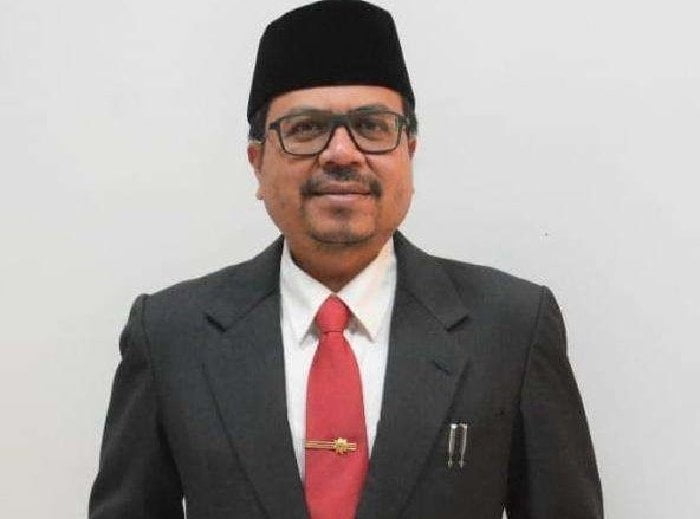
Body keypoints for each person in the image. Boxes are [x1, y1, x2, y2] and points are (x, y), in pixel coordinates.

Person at [89, 1, 603, 518]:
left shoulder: (511, 328)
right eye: (306, 129)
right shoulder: (171, 336)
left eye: (371, 126)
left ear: (409, 152)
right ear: (257, 163)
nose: (341, 153)